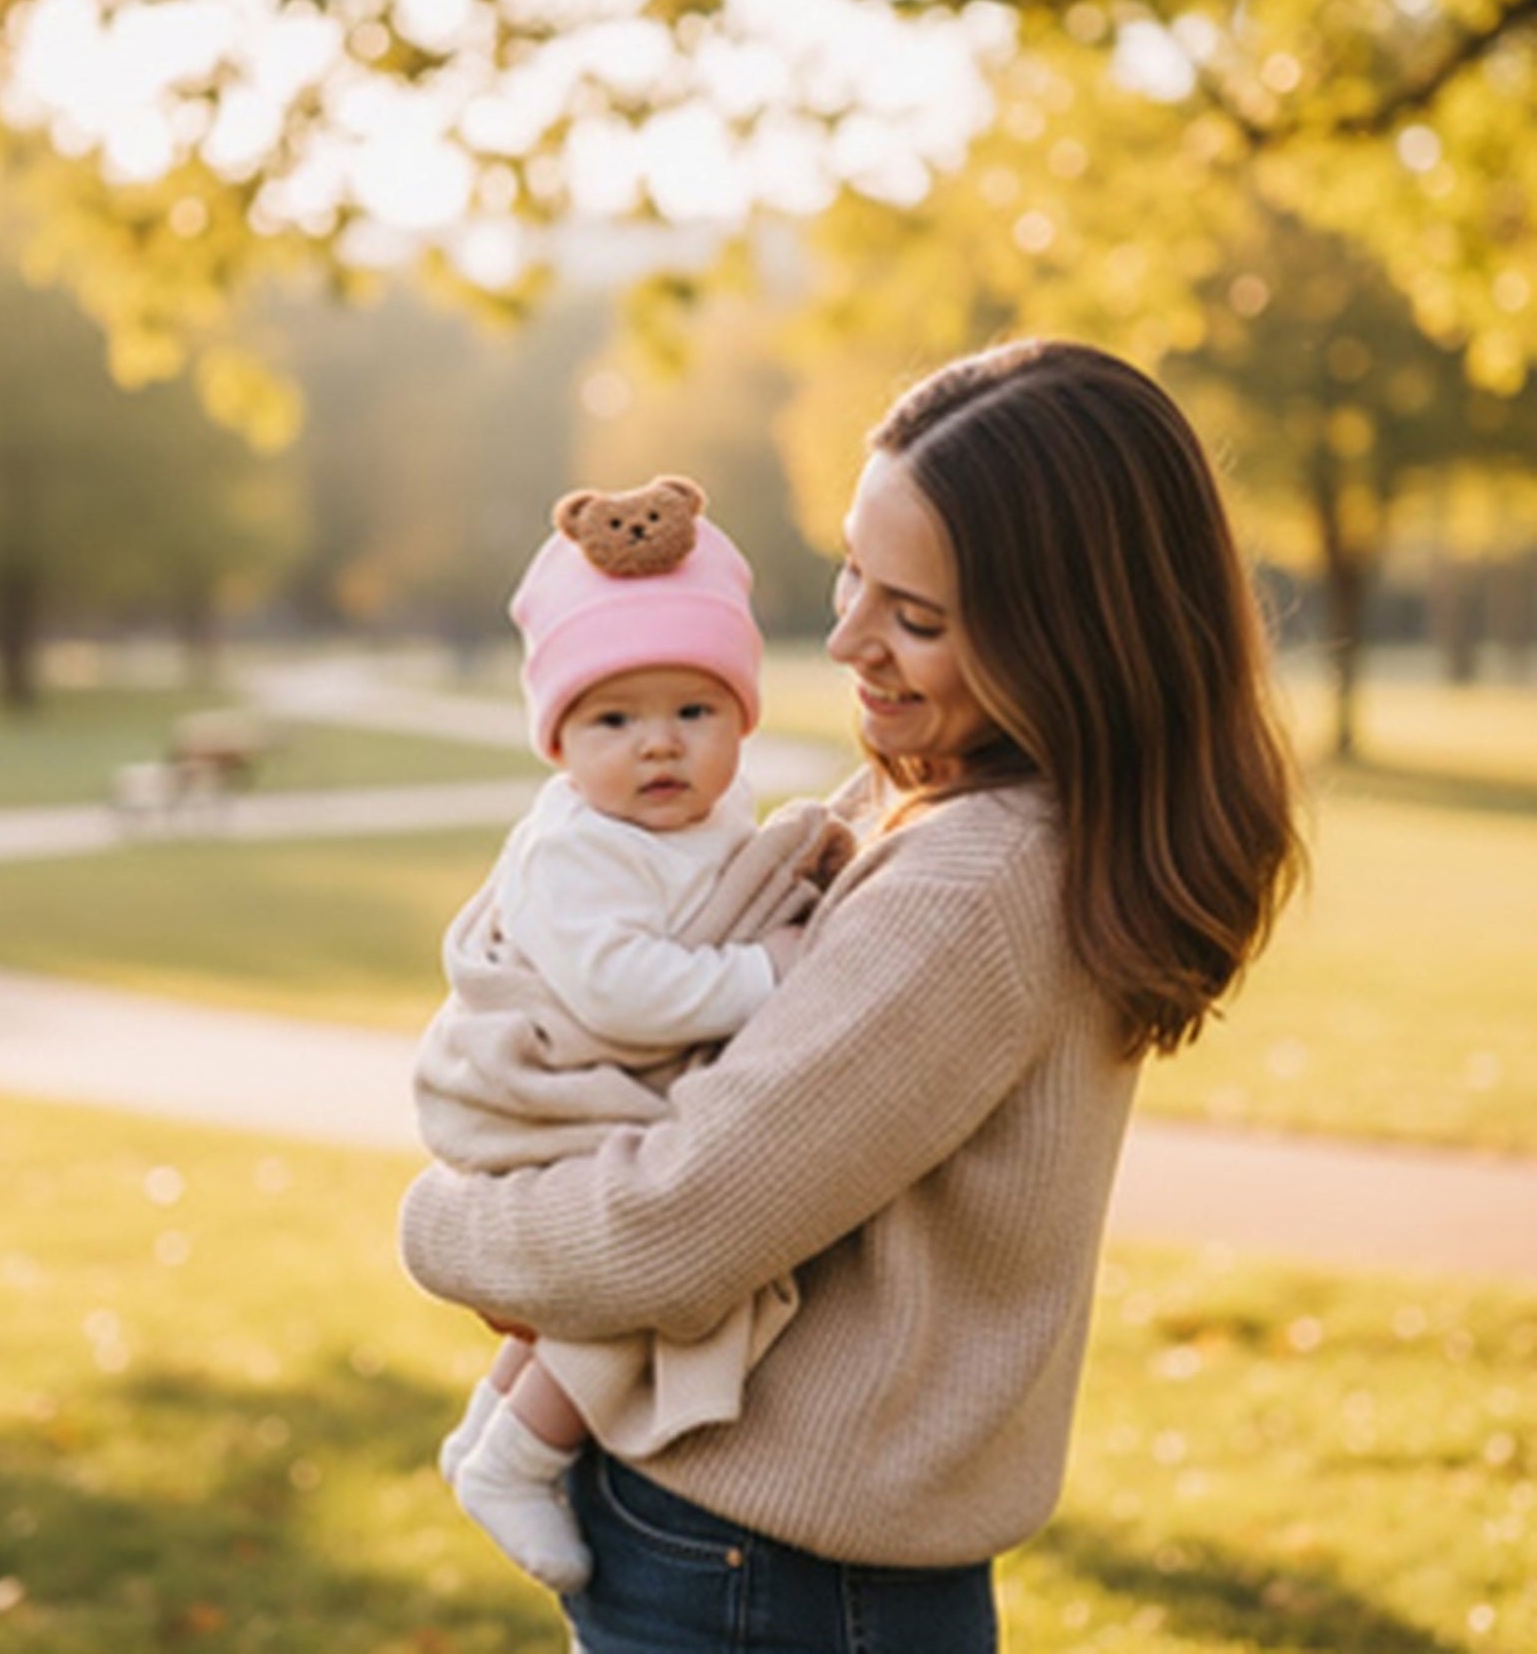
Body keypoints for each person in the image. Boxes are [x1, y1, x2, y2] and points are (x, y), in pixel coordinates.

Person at [401, 340, 1303, 1651]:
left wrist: (443, 1227)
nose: (843, 639)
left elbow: (680, 1221)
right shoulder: (933, 799)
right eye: (850, 574)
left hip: (767, 1569)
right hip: (775, 1550)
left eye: (915, 617)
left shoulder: (976, 880)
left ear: (1068, 637)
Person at [413, 476, 853, 1594]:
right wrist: (762, 974)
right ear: (557, 738)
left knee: (624, 1250)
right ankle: (520, 1454)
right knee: (641, 1266)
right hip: (547, 1078)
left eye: (692, 712)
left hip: (605, 1075)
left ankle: (482, 1429)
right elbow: (616, 992)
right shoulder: (574, 847)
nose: (658, 745)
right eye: (614, 718)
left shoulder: (698, 818)